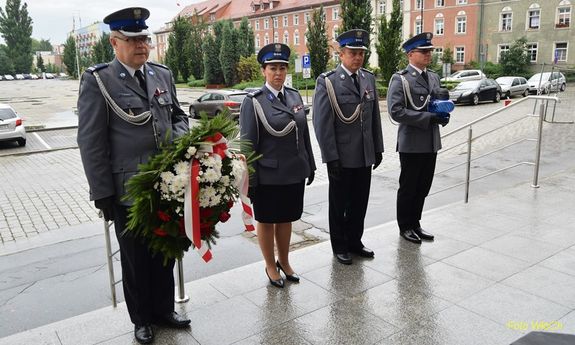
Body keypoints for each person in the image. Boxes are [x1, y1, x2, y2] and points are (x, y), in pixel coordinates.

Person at [77, 7, 190, 344]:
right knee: (136, 258)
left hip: (168, 183)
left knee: (166, 250)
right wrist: (102, 193)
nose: (142, 45)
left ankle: (163, 310)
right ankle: (141, 319)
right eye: (133, 39)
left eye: (145, 38)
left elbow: (177, 115)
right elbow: (90, 140)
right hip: (128, 189)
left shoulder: (161, 74)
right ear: (114, 42)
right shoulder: (99, 81)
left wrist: (181, 137)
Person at [240, 43, 316, 288]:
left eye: (282, 68)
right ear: (263, 70)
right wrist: (250, 179)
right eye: (273, 68)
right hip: (268, 174)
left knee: (287, 219)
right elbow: (247, 144)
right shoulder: (253, 102)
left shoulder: (293, 95)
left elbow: (304, 134)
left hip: (294, 171)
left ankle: (284, 260)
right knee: (267, 221)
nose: (278, 73)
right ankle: (270, 264)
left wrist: (310, 164)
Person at [312, 29, 384, 265]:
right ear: (341, 54)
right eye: (353, 53)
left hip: (364, 154)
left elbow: (374, 118)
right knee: (339, 203)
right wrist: (330, 157)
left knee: (360, 201)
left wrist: (378, 148)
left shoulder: (368, 78)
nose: (358, 58)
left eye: (361, 53)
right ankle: (340, 245)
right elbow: (322, 123)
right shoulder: (328, 82)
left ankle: (355, 241)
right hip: (342, 157)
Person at [387, 32, 450, 245]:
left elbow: (436, 104)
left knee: (423, 185)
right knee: (409, 186)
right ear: (410, 54)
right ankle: (405, 226)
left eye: (429, 51)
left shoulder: (432, 77)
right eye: (423, 52)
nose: (428, 55)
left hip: (430, 141)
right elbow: (396, 111)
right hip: (412, 142)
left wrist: (442, 117)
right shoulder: (401, 79)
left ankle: (416, 223)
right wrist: (428, 118)